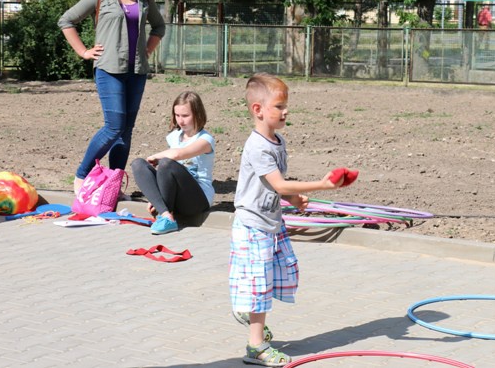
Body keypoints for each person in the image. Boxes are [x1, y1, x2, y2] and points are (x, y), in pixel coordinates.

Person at [230, 73, 347, 367]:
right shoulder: (258, 146)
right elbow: (280, 184)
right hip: (253, 224)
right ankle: (256, 347)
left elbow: (273, 185)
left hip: (271, 221)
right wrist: (320, 185)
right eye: (279, 106)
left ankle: (249, 312)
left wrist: (293, 200)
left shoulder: (276, 141)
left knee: (277, 276)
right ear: (258, 110)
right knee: (260, 285)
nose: (286, 112)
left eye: (286, 106)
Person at [58, 0, 165, 196]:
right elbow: (66, 21)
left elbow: (159, 26)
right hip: (109, 70)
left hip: (136, 72)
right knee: (114, 126)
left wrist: (148, 49)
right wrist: (83, 51)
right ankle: (82, 175)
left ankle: (113, 185)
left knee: (125, 131)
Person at [131, 91, 215, 235]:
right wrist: (157, 198)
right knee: (138, 164)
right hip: (176, 197)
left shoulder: (205, 140)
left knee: (166, 164)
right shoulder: (173, 137)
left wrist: (155, 157)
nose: (180, 121)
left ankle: (165, 212)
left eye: (185, 116)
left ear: (197, 114)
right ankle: (165, 214)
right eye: (177, 115)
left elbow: (177, 154)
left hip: (197, 200)